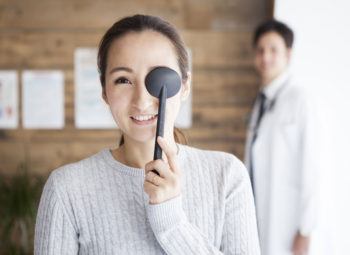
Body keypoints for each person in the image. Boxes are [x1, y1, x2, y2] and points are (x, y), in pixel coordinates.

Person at [34, 14, 260, 254]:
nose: (141, 101)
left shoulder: (227, 176)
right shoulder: (66, 189)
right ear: (104, 92)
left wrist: (171, 220)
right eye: (123, 80)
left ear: (185, 86)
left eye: (158, 78)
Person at [244, 20, 320, 255]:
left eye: (273, 50)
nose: (265, 57)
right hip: (263, 219)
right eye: (260, 50)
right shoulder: (262, 101)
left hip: (290, 226)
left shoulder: (301, 100)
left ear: (288, 54)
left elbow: (313, 168)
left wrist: (306, 230)